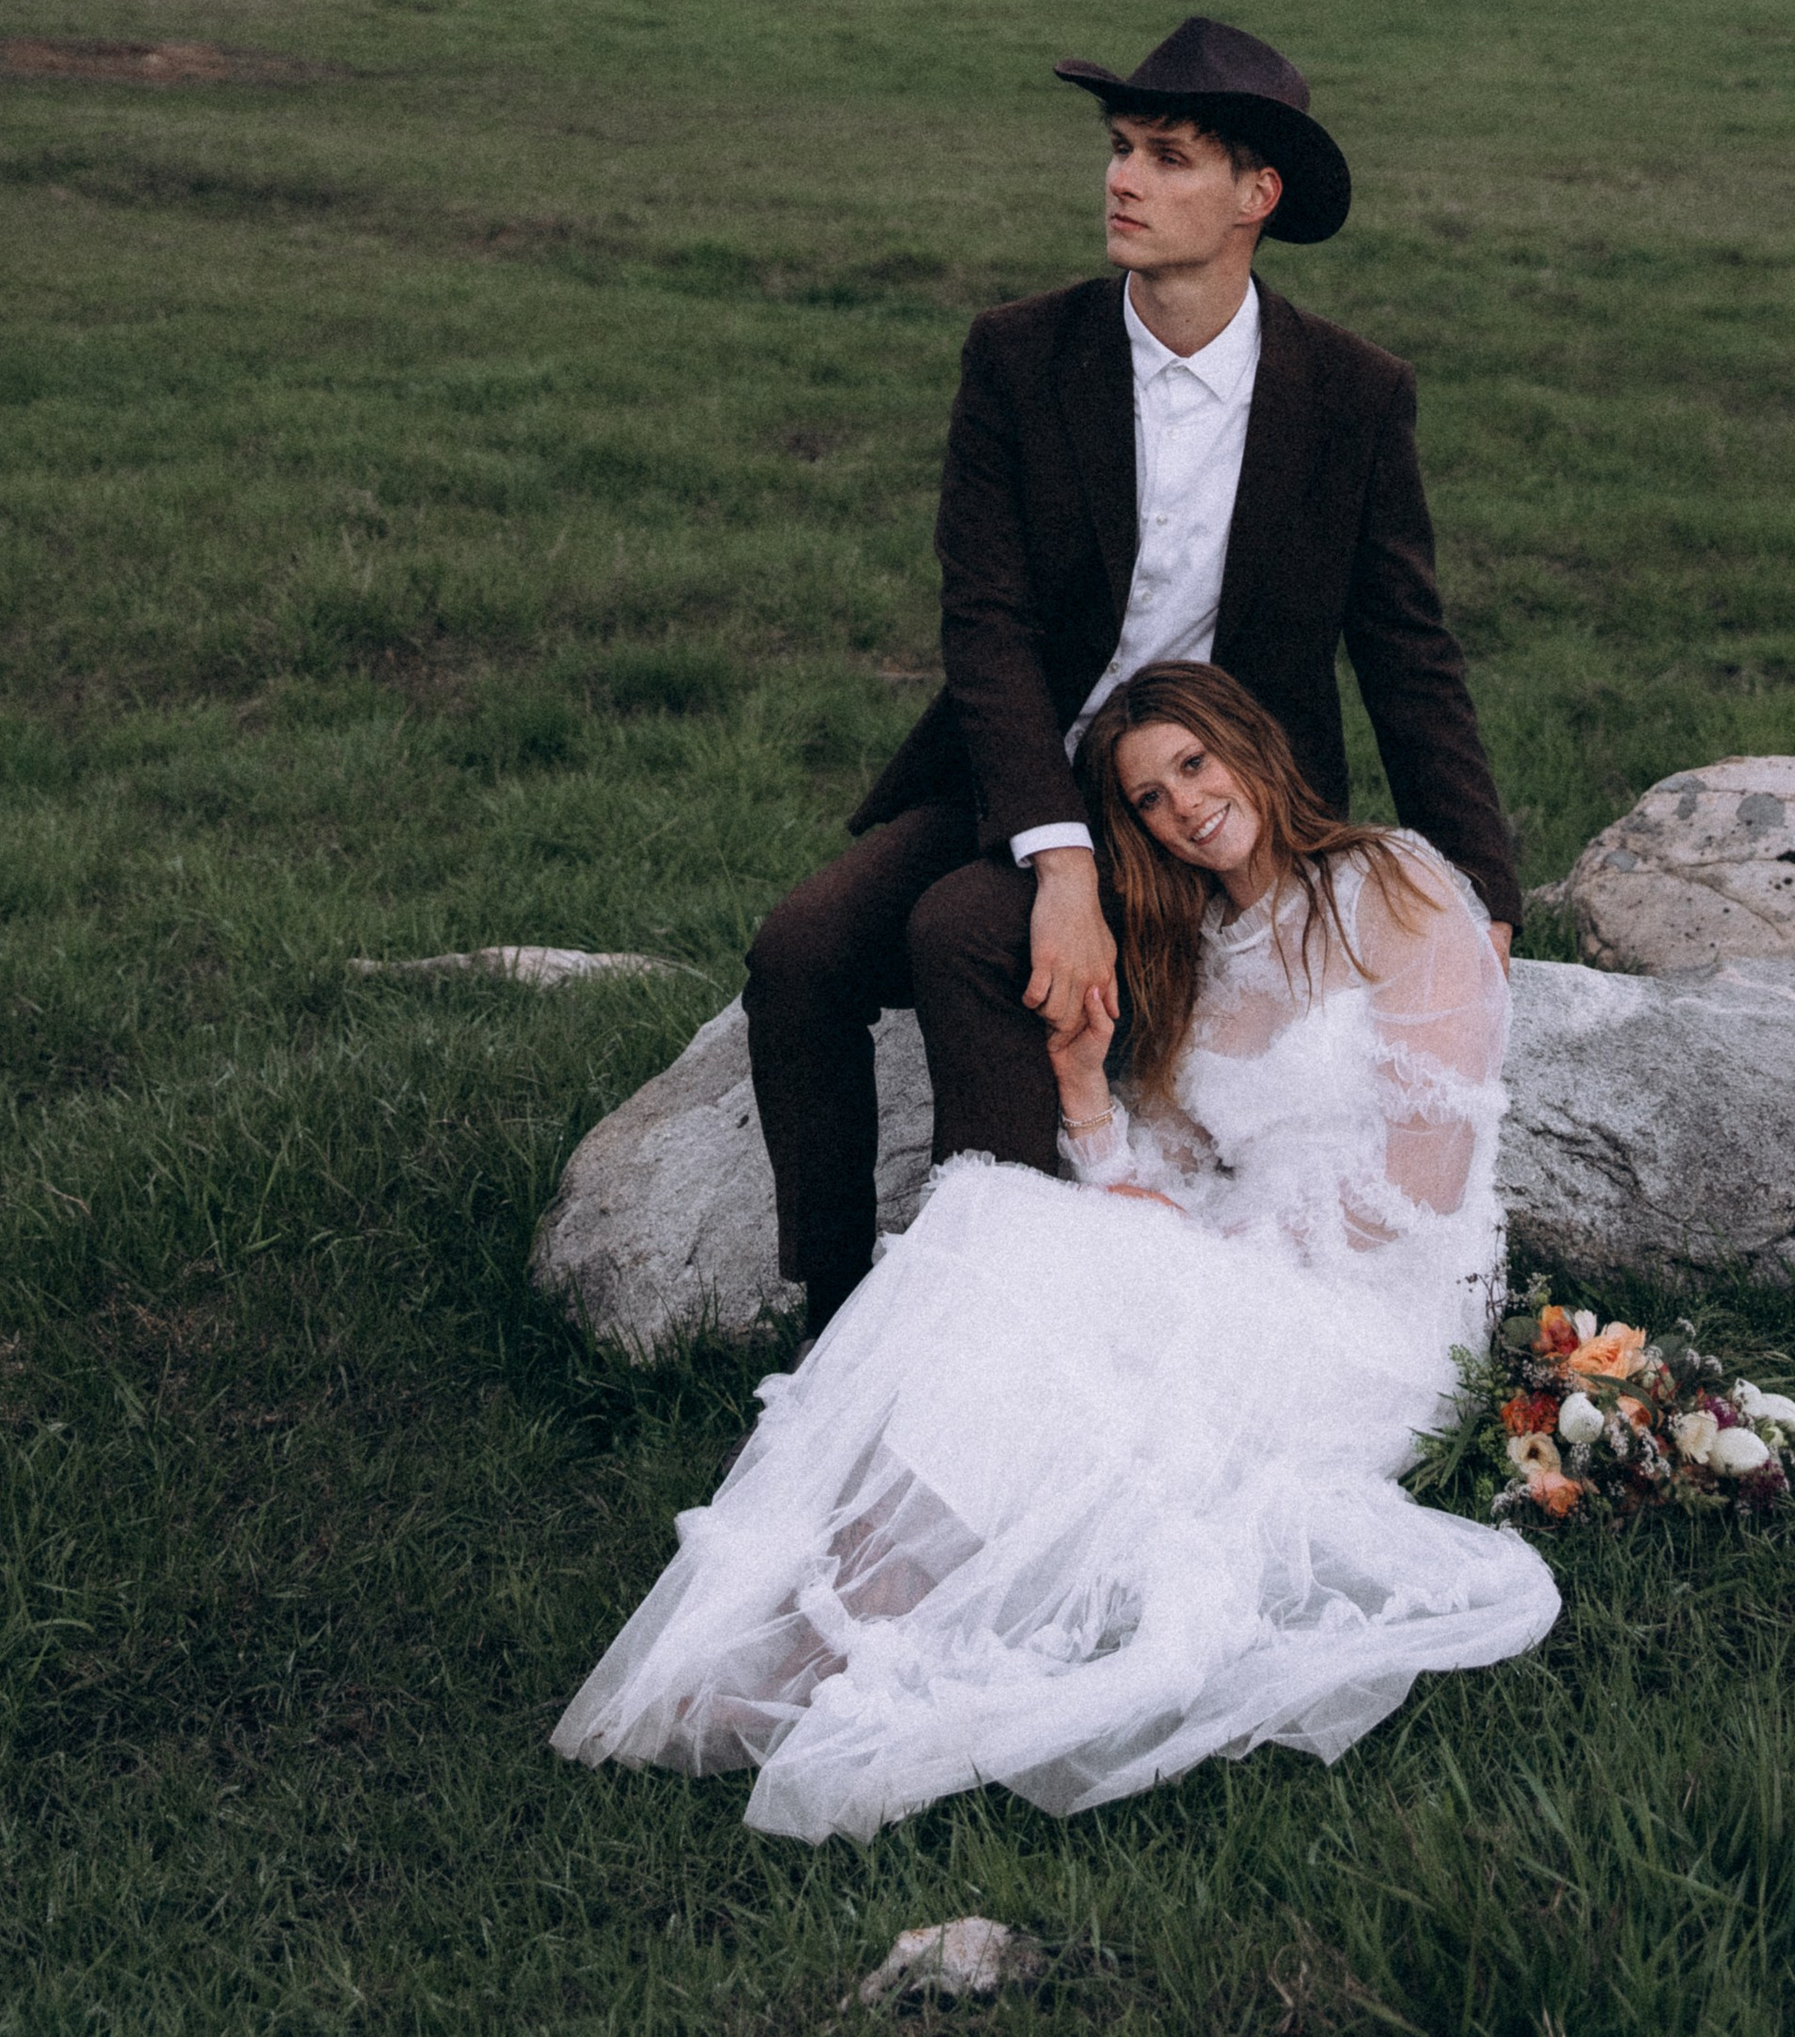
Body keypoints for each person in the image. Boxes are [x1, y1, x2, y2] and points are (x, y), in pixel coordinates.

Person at [553, 663, 1558, 1840]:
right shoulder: (1202, 949)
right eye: (1146, 798)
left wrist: (1202, 1258)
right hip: (1252, 1272)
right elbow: (1170, 1178)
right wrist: (1084, 1089)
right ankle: (831, 1616)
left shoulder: (1392, 885)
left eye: (1194, 764)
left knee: (1040, 1260)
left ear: (1252, 750)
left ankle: (832, 1638)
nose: (1183, 806)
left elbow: (1419, 1183)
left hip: (1372, 1311)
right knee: (1000, 1222)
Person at [743, 14, 1522, 1336]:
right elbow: (983, 621)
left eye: (1168, 157)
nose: (1123, 180)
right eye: (1120, 149)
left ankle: (1007, 1315)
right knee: (804, 949)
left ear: (1254, 197)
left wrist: (1481, 888)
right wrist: (1058, 860)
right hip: (1033, 763)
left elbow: (1405, 645)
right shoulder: (1021, 356)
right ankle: (835, 1308)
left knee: (964, 937)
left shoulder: (1350, 397)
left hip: (1207, 798)